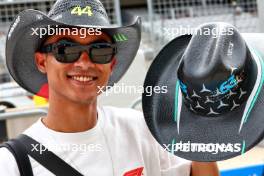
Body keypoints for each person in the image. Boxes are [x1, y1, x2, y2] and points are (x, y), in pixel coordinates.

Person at [0, 0, 219, 175]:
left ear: (111, 64)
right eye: (65, 49)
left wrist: (199, 126)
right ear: (41, 62)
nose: (84, 62)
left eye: (100, 50)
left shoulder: (142, 130)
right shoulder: (12, 164)